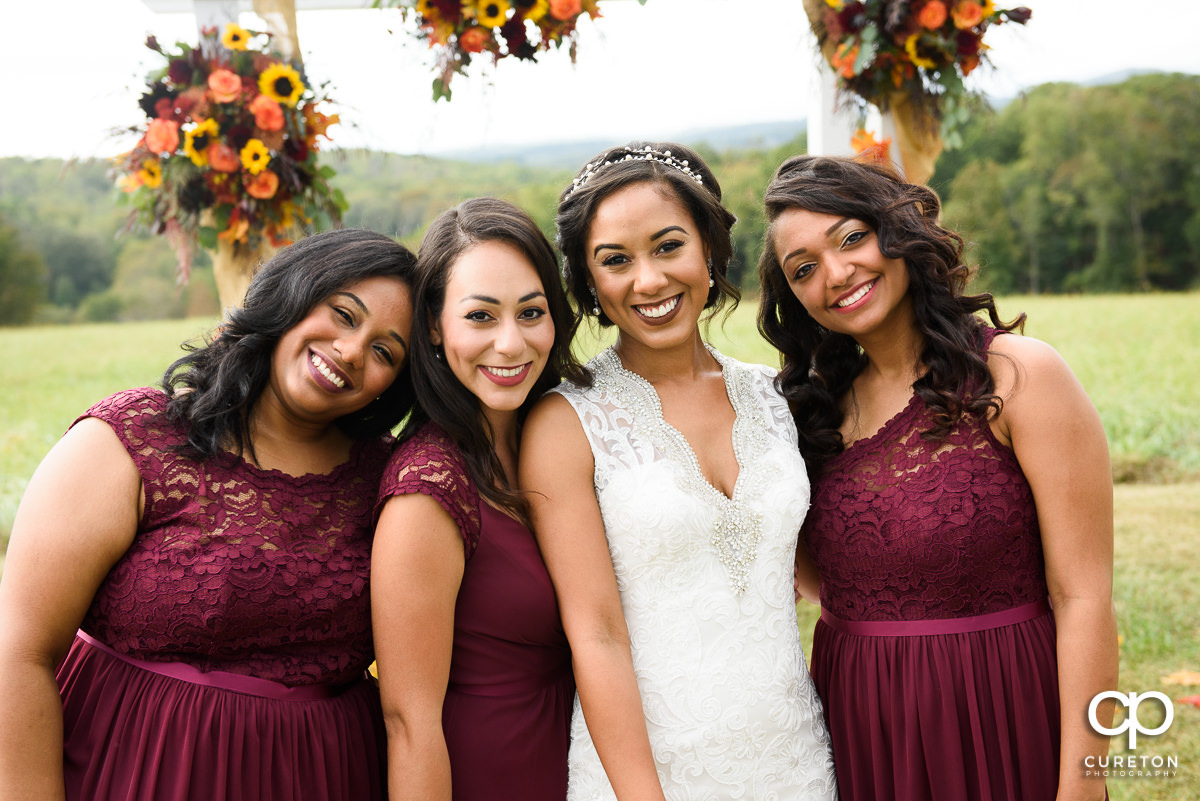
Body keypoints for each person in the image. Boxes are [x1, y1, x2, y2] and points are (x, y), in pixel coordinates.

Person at [0, 228, 419, 801]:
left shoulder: (389, 482)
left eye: (384, 351)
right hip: (128, 772)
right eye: (344, 315)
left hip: (327, 776)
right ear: (290, 296)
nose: (351, 351)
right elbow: (18, 653)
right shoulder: (134, 439)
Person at [756, 153, 1118, 801]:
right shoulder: (810, 415)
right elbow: (818, 579)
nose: (836, 274)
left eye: (851, 237)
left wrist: (1085, 784)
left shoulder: (1017, 376)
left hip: (1002, 710)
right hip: (864, 728)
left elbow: (1084, 598)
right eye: (804, 269)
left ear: (895, 229)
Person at [520, 142, 838, 800]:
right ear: (587, 281)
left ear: (710, 250)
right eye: (616, 261)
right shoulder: (564, 423)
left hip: (794, 762)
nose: (648, 280)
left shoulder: (777, 398)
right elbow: (597, 635)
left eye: (668, 246)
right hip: (646, 774)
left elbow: (818, 573)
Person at [372, 197, 587, 801]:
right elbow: (409, 724)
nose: (512, 344)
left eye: (531, 312)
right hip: (490, 771)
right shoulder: (427, 492)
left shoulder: (563, 435)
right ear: (435, 327)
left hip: (582, 762)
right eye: (481, 317)